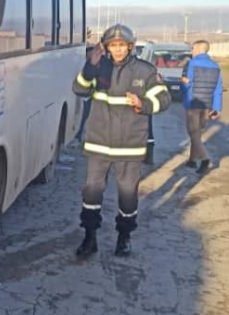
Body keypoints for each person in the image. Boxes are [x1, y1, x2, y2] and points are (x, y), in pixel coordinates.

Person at [72, 23, 171, 259]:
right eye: (113, 46)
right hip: (99, 145)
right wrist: (89, 69)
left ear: (130, 46)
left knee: (127, 194)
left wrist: (143, 104)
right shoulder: (97, 67)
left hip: (130, 147)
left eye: (121, 46)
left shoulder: (145, 71)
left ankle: (124, 237)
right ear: (106, 47)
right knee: (91, 193)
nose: (117, 50)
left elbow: (164, 99)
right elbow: (79, 89)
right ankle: (90, 237)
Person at [181, 39, 223, 175]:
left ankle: (205, 159)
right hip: (207, 106)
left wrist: (183, 84)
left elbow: (187, 85)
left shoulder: (191, 64)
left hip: (193, 103)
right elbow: (218, 89)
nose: (191, 51)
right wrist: (216, 108)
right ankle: (192, 160)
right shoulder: (216, 66)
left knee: (193, 133)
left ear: (198, 49)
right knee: (197, 133)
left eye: (193, 48)